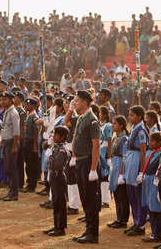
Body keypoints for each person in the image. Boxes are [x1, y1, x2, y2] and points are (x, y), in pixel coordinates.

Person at [70, 90, 101, 244]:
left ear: (84, 102)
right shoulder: (82, 118)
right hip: (81, 161)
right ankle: (89, 229)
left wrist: (93, 169)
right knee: (84, 197)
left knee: (90, 199)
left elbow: (96, 145)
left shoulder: (92, 119)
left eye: (76, 101)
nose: (74, 103)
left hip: (89, 162)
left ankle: (93, 233)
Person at [123, 106, 148, 237]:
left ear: (139, 116)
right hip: (131, 159)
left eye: (132, 115)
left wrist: (141, 172)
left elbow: (143, 151)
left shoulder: (141, 130)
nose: (130, 117)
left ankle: (141, 224)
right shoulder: (134, 128)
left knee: (138, 195)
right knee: (131, 194)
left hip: (137, 160)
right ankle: (136, 221)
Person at [43, 125, 70, 237]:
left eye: (56, 134)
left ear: (62, 137)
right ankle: (56, 225)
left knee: (60, 203)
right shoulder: (56, 146)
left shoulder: (63, 149)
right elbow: (44, 146)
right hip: (54, 176)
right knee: (55, 202)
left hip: (59, 176)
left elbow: (57, 165)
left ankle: (61, 228)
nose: (54, 136)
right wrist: (48, 143)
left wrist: (50, 157)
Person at [140, 132, 161, 243]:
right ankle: (156, 232)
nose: (149, 143)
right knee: (151, 207)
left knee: (156, 208)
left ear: (159, 142)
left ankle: (157, 234)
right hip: (149, 182)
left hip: (155, 182)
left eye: (152, 141)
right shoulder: (154, 153)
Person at [108, 116, 130, 229]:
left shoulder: (124, 139)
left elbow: (124, 157)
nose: (113, 125)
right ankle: (118, 218)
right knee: (116, 194)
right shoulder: (115, 138)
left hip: (120, 167)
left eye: (115, 123)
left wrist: (121, 174)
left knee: (122, 195)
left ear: (121, 125)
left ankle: (123, 220)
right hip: (114, 166)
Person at [0, 92, 20, 201]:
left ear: (11, 100)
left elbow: (17, 131)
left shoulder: (13, 113)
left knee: (12, 169)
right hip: (6, 142)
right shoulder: (6, 111)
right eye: (1, 100)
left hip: (12, 142)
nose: (3, 102)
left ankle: (14, 193)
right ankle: (11, 192)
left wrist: (15, 146)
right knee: (8, 168)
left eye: (5, 99)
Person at [21, 97, 40, 193]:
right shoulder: (28, 115)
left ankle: (32, 185)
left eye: (28, 104)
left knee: (32, 165)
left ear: (34, 106)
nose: (26, 106)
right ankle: (29, 183)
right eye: (26, 104)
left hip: (31, 142)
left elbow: (36, 132)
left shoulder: (34, 117)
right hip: (26, 141)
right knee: (28, 165)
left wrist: (35, 146)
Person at [98, 106, 113, 209]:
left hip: (104, 152)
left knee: (105, 176)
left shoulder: (108, 126)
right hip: (99, 151)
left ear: (105, 115)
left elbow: (109, 141)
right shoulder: (99, 124)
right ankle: (102, 199)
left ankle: (106, 200)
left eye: (100, 113)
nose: (99, 115)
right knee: (101, 176)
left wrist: (108, 155)